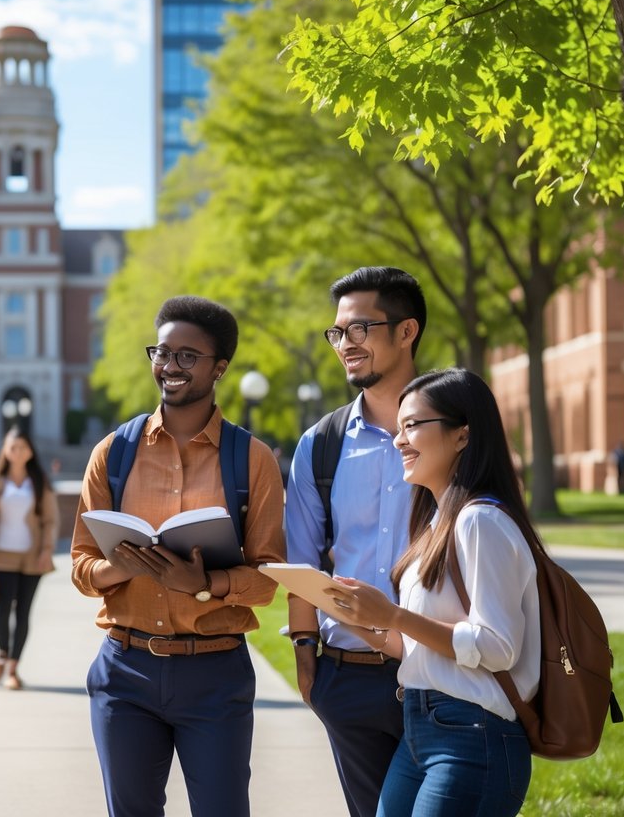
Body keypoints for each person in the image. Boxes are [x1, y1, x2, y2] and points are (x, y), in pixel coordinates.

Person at [71, 296, 286, 817]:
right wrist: (115, 566)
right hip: (125, 673)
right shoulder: (113, 453)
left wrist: (207, 584)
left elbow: (270, 578)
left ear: (220, 368)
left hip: (214, 675)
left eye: (188, 356)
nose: (169, 366)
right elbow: (81, 566)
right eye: (162, 352)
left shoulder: (251, 459)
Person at [325, 368, 540, 816]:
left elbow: (498, 647)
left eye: (412, 426)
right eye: (398, 427)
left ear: (462, 435)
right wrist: (361, 622)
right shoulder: (435, 523)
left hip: (474, 733)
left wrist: (394, 616)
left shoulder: (481, 521)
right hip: (420, 728)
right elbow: (419, 648)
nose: (399, 440)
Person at [283, 266, 427, 817]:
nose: (346, 344)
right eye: (338, 332)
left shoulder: (459, 430)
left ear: (406, 331)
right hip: (350, 679)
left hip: (442, 675)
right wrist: (306, 658)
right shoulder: (320, 444)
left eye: (360, 329)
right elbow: (300, 559)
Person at [0, 426, 58, 690]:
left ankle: (13, 668)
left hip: (32, 557)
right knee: (1, 613)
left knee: (23, 614)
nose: (18, 451)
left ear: (30, 451)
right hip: (1, 556)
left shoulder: (39, 482)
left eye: (23, 447)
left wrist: (47, 549)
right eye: (13, 447)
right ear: (6, 450)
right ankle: (2, 652)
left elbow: (50, 520)